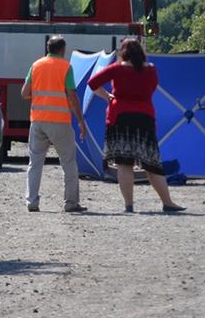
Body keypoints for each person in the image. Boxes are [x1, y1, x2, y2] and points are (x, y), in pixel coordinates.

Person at [87, 38, 186, 213]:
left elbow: (92, 83)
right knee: (152, 163)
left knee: (125, 164)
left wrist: (108, 96)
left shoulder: (117, 68)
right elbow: (152, 88)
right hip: (144, 117)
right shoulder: (151, 69)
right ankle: (168, 202)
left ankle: (129, 205)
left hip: (120, 118)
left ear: (123, 52)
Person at [21, 36, 88, 213]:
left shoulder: (35, 65)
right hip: (59, 122)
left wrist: (40, 96)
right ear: (62, 50)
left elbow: (24, 93)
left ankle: (32, 202)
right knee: (68, 162)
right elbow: (72, 96)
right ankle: (70, 202)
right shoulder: (66, 67)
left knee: (34, 163)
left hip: (37, 121)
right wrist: (80, 120)